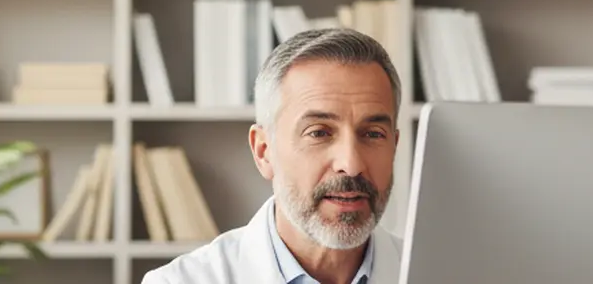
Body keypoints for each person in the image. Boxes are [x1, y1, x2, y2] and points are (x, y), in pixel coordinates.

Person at [141, 28, 404, 284]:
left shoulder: (440, 275)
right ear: (263, 152)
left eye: (373, 134)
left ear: (394, 145)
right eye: (319, 133)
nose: (351, 164)